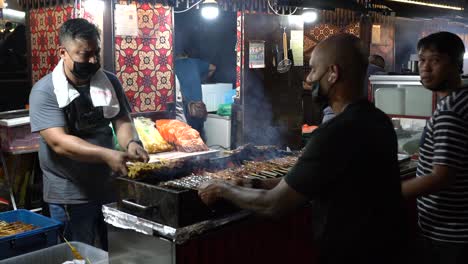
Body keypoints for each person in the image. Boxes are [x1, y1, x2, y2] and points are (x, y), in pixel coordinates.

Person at [199, 34, 406, 264]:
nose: (309, 78)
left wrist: (221, 189)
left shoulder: (334, 134)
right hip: (386, 248)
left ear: (333, 73)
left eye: (313, 70)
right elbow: (327, 180)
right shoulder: (379, 121)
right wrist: (254, 183)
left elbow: (274, 205)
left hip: (351, 254)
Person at [29, 18, 149, 250]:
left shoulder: (109, 81)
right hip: (69, 193)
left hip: (107, 186)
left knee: (112, 251)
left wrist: (131, 143)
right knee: (76, 254)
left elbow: (122, 119)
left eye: (96, 53)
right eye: (85, 55)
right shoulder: (45, 91)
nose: (93, 61)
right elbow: (59, 143)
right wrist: (107, 155)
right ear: (63, 52)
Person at [401, 32, 468, 264]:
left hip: (448, 235)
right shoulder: (463, 98)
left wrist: (388, 195)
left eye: (435, 60)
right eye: (422, 60)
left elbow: (442, 177)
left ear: (457, 65)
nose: (425, 68)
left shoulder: (450, 111)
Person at [174, 51, 216, 138]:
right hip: (198, 107)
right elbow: (213, 67)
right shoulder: (195, 62)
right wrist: (202, 79)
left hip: (184, 107)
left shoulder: (172, 65)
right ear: (187, 55)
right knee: (199, 135)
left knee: (186, 137)